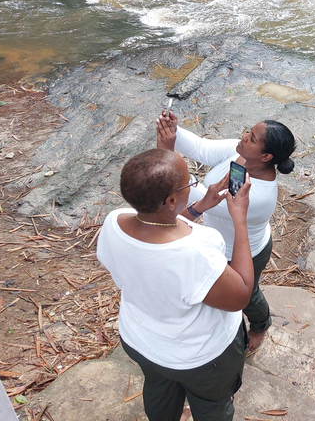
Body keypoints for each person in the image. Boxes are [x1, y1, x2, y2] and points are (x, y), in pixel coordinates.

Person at [97, 148, 253, 421]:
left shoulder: (114, 221)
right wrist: (240, 219)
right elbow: (240, 296)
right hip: (199, 358)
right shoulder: (193, 253)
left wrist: (198, 206)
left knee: (159, 389)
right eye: (189, 182)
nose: (193, 183)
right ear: (170, 200)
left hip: (140, 341)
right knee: (212, 405)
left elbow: (156, 227)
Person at [156, 115, 296, 353]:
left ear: (266, 157)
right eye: (247, 132)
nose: (243, 137)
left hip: (241, 253)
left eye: (251, 138)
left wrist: (168, 155)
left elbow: (197, 197)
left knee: (248, 296)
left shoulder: (258, 197)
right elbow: (201, 147)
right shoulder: (242, 153)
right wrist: (173, 130)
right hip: (218, 242)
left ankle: (261, 324)